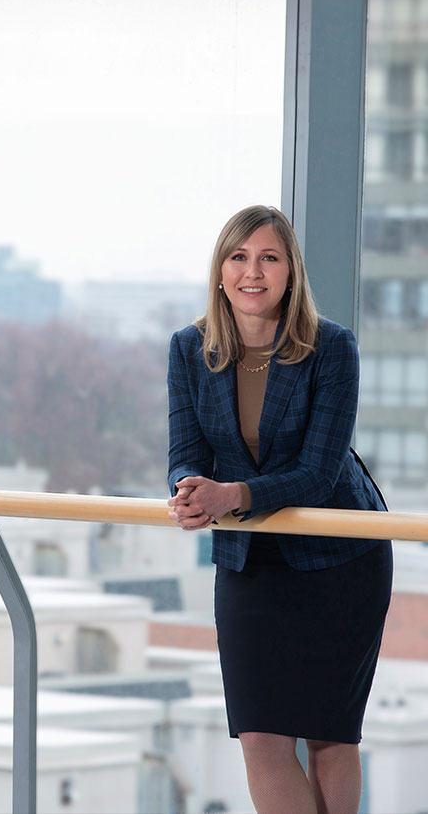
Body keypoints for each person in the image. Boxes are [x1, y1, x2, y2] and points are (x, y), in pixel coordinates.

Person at [165, 205, 390, 814]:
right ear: (219, 272)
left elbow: (318, 474)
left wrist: (229, 496)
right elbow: (184, 452)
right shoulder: (189, 349)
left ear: (291, 273)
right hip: (249, 560)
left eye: (269, 257)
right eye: (238, 257)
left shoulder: (332, 347)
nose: (252, 272)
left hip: (338, 557)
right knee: (261, 737)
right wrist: (188, 488)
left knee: (328, 738)